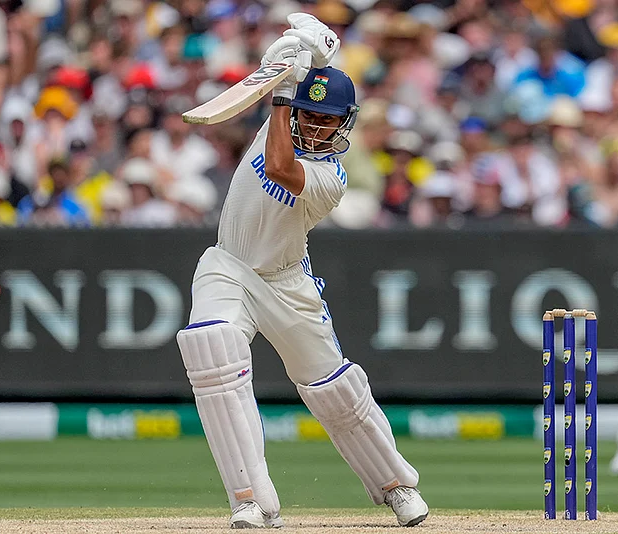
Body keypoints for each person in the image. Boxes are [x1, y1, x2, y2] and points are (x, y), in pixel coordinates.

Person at [175, 15, 428, 529]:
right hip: (228, 265)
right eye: (309, 115)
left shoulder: (329, 177)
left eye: (326, 118)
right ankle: (250, 500)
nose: (314, 124)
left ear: (345, 123)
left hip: (288, 284)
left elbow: (279, 169)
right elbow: (280, 79)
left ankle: (396, 486)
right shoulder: (282, 117)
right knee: (211, 349)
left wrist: (287, 91)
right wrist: (303, 52)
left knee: (333, 390)